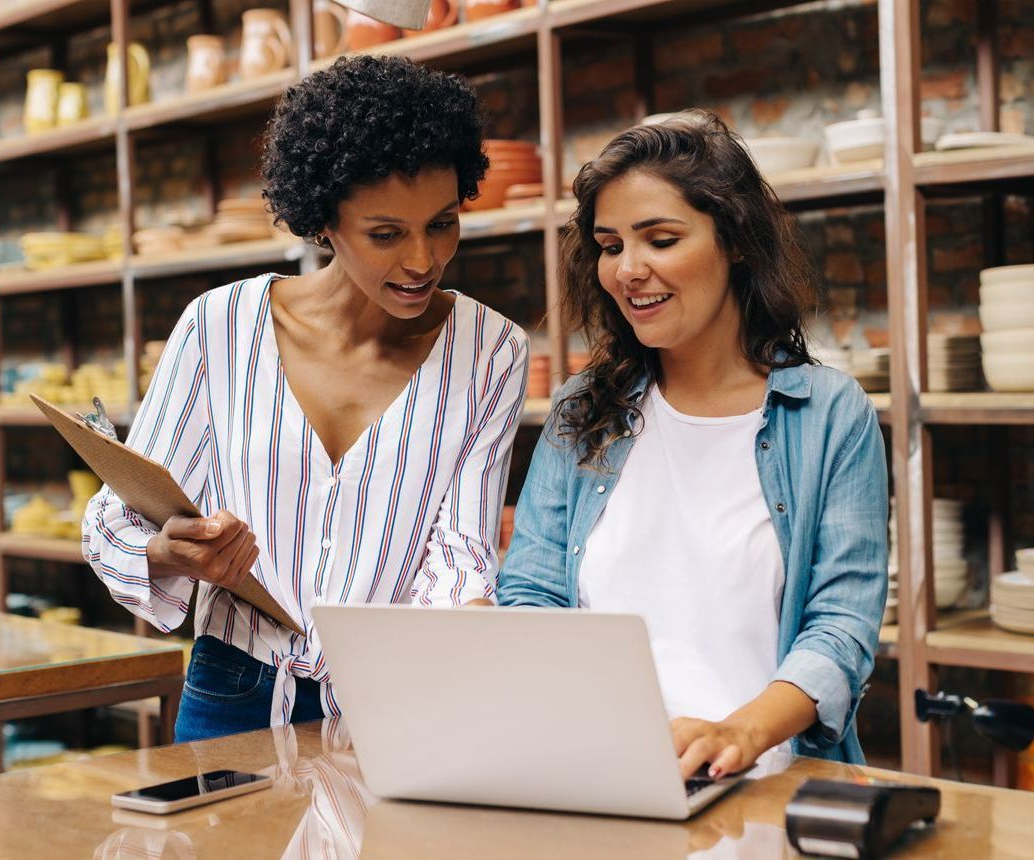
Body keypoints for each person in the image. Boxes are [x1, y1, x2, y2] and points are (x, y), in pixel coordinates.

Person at [83, 55, 528, 743]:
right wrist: (177, 554)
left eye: (442, 223)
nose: (421, 260)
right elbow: (120, 518)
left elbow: (461, 552)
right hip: (233, 689)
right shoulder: (219, 327)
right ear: (324, 221)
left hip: (398, 698)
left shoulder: (492, 349)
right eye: (386, 233)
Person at [497, 112, 887, 777]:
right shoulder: (582, 412)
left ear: (733, 241)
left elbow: (841, 626)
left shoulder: (826, 414)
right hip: (599, 774)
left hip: (760, 778)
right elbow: (530, 594)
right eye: (611, 245)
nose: (628, 269)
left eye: (661, 239)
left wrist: (738, 734)